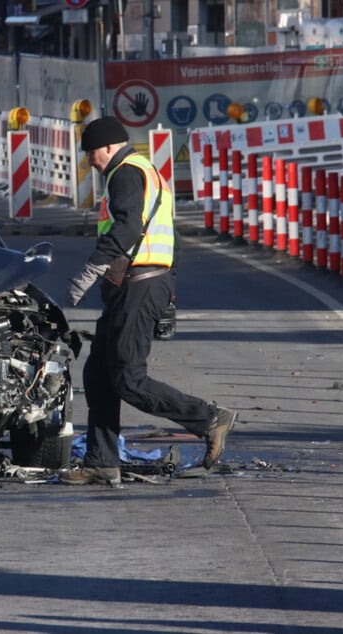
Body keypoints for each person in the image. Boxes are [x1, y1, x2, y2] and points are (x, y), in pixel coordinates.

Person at [61, 116, 238, 487]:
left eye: (92, 153)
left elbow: (126, 229)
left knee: (127, 378)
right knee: (98, 375)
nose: (90, 161)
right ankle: (101, 461)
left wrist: (87, 273)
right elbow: (170, 237)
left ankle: (208, 418)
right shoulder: (144, 171)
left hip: (140, 285)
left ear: (108, 147)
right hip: (139, 283)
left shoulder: (125, 172)